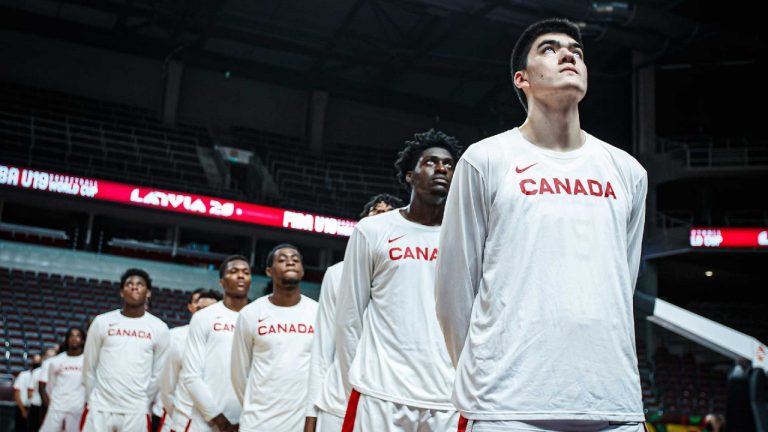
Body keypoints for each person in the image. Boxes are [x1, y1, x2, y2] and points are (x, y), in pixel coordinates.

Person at [435, 18, 648, 432]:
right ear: (522, 79)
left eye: (577, 52)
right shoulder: (485, 160)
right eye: (549, 49)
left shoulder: (628, 172)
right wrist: (484, 376)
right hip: (506, 406)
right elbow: (454, 288)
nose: (568, 55)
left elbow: (624, 280)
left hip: (613, 403)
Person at [335, 129, 462, 432]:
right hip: (380, 392)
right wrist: (358, 381)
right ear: (409, 175)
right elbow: (349, 317)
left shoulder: (467, 236)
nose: (442, 168)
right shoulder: (373, 231)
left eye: (448, 164)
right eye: (431, 162)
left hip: (447, 396)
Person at [304, 193, 403, 432]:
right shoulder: (336, 273)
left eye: (388, 214)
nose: (381, 219)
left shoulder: (410, 271)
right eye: (375, 213)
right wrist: (310, 412)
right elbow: (323, 346)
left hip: (388, 401)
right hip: (337, 402)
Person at [231, 244, 318, 431]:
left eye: (295, 260)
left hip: (299, 423)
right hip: (257, 423)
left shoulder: (318, 312)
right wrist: (253, 404)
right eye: (282, 259)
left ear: (302, 271)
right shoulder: (251, 313)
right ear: (269, 271)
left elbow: (321, 370)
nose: (290, 262)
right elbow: (238, 373)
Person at [81, 268, 170, 432]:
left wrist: (143, 400)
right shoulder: (101, 322)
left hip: (136, 410)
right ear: (122, 292)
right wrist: (93, 397)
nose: (134, 287)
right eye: (129, 284)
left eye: (140, 284)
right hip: (100, 407)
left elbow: (158, 373)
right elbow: (89, 366)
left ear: (148, 292)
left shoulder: (159, 328)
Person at [177, 259, 252, 432]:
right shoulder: (204, 317)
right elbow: (191, 375)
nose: (241, 275)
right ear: (221, 282)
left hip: (248, 421)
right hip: (206, 421)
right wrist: (222, 422)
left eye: (246, 272)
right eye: (233, 271)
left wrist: (247, 419)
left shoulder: (259, 317)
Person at [158, 289, 221, 432]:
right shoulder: (177, 339)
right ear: (193, 310)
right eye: (200, 309)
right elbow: (167, 388)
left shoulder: (229, 342)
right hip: (185, 421)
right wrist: (179, 415)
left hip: (218, 424)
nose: (203, 314)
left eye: (209, 310)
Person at [39, 327, 86, 432]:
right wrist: (49, 404)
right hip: (57, 407)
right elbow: (48, 385)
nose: (74, 338)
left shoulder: (87, 361)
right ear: (67, 340)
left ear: (83, 340)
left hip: (77, 409)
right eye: (71, 336)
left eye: (78, 336)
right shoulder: (56, 361)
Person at [29, 347, 56, 430]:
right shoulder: (37, 372)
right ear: (43, 358)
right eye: (48, 356)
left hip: (54, 406)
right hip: (37, 406)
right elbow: (30, 391)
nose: (51, 359)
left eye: (53, 356)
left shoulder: (58, 371)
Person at [13, 358, 35, 432]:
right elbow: (16, 394)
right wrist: (23, 410)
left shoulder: (39, 375)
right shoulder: (23, 375)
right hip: (22, 407)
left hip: (34, 409)